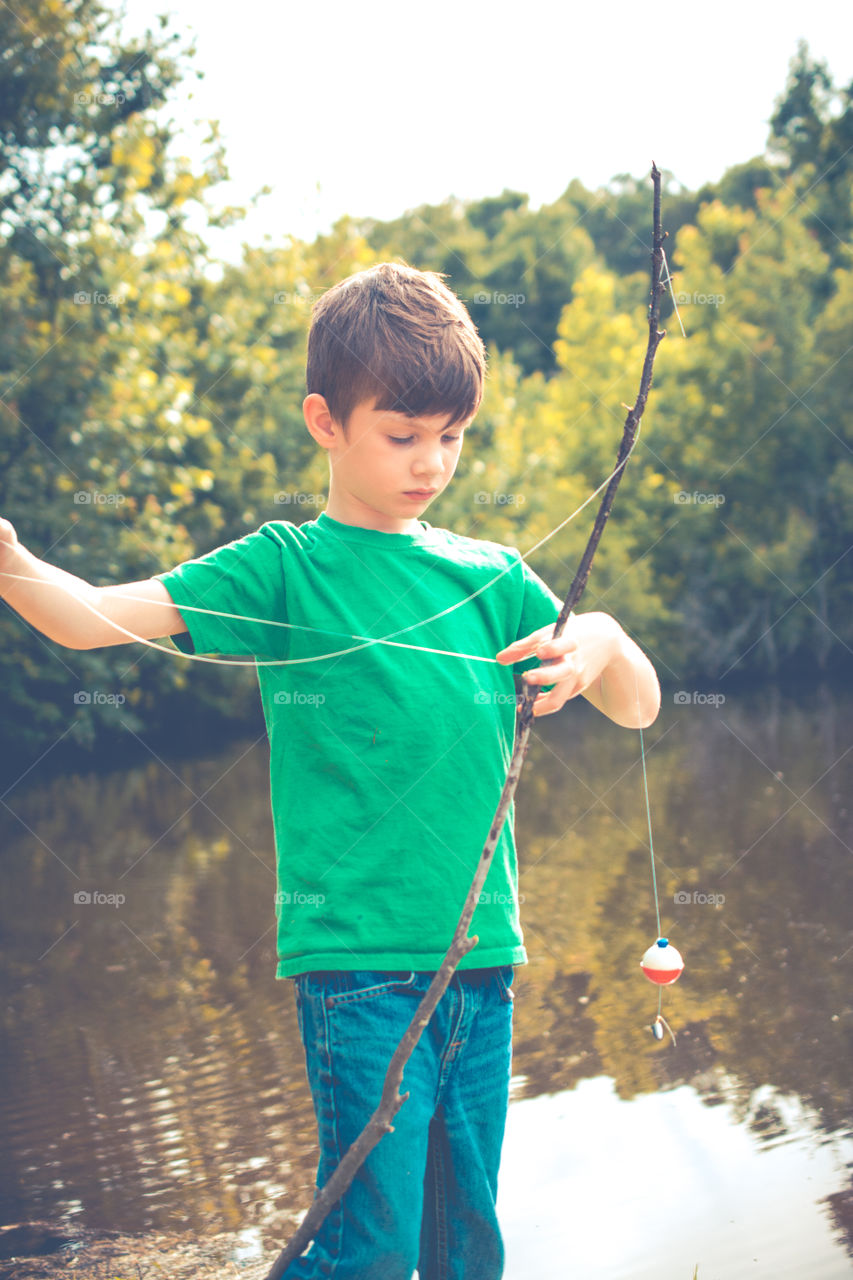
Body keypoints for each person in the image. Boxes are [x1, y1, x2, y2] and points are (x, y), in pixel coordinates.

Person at [0, 261, 660, 1279]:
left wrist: (605, 640)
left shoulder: (489, 577)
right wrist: (11, 563)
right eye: (402, 434)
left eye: (450, 435)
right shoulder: (284, 568)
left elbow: (640, 707)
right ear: (325, 421)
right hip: (358, 973)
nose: (430, 461)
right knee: (365, 1240)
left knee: (465, 1239)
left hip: (482, 970)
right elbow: (91, 616)